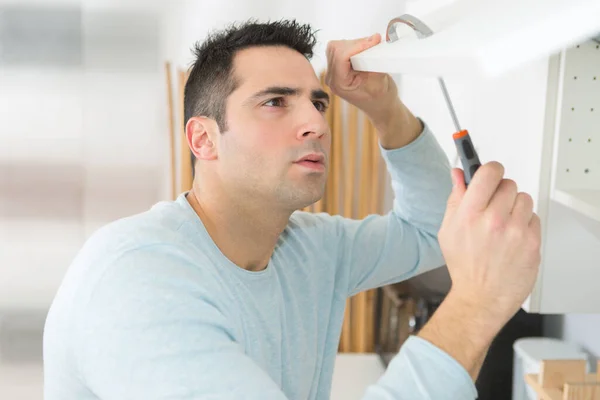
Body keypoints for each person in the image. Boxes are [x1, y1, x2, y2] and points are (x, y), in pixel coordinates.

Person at [43, 19, 541, 399]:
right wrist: (476, 307)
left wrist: (385, 109)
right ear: (204, 139)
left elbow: (430, 230)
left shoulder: (305, 247)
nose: (316, 124)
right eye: (276, 102)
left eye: (319, 103)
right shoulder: (137, 278)